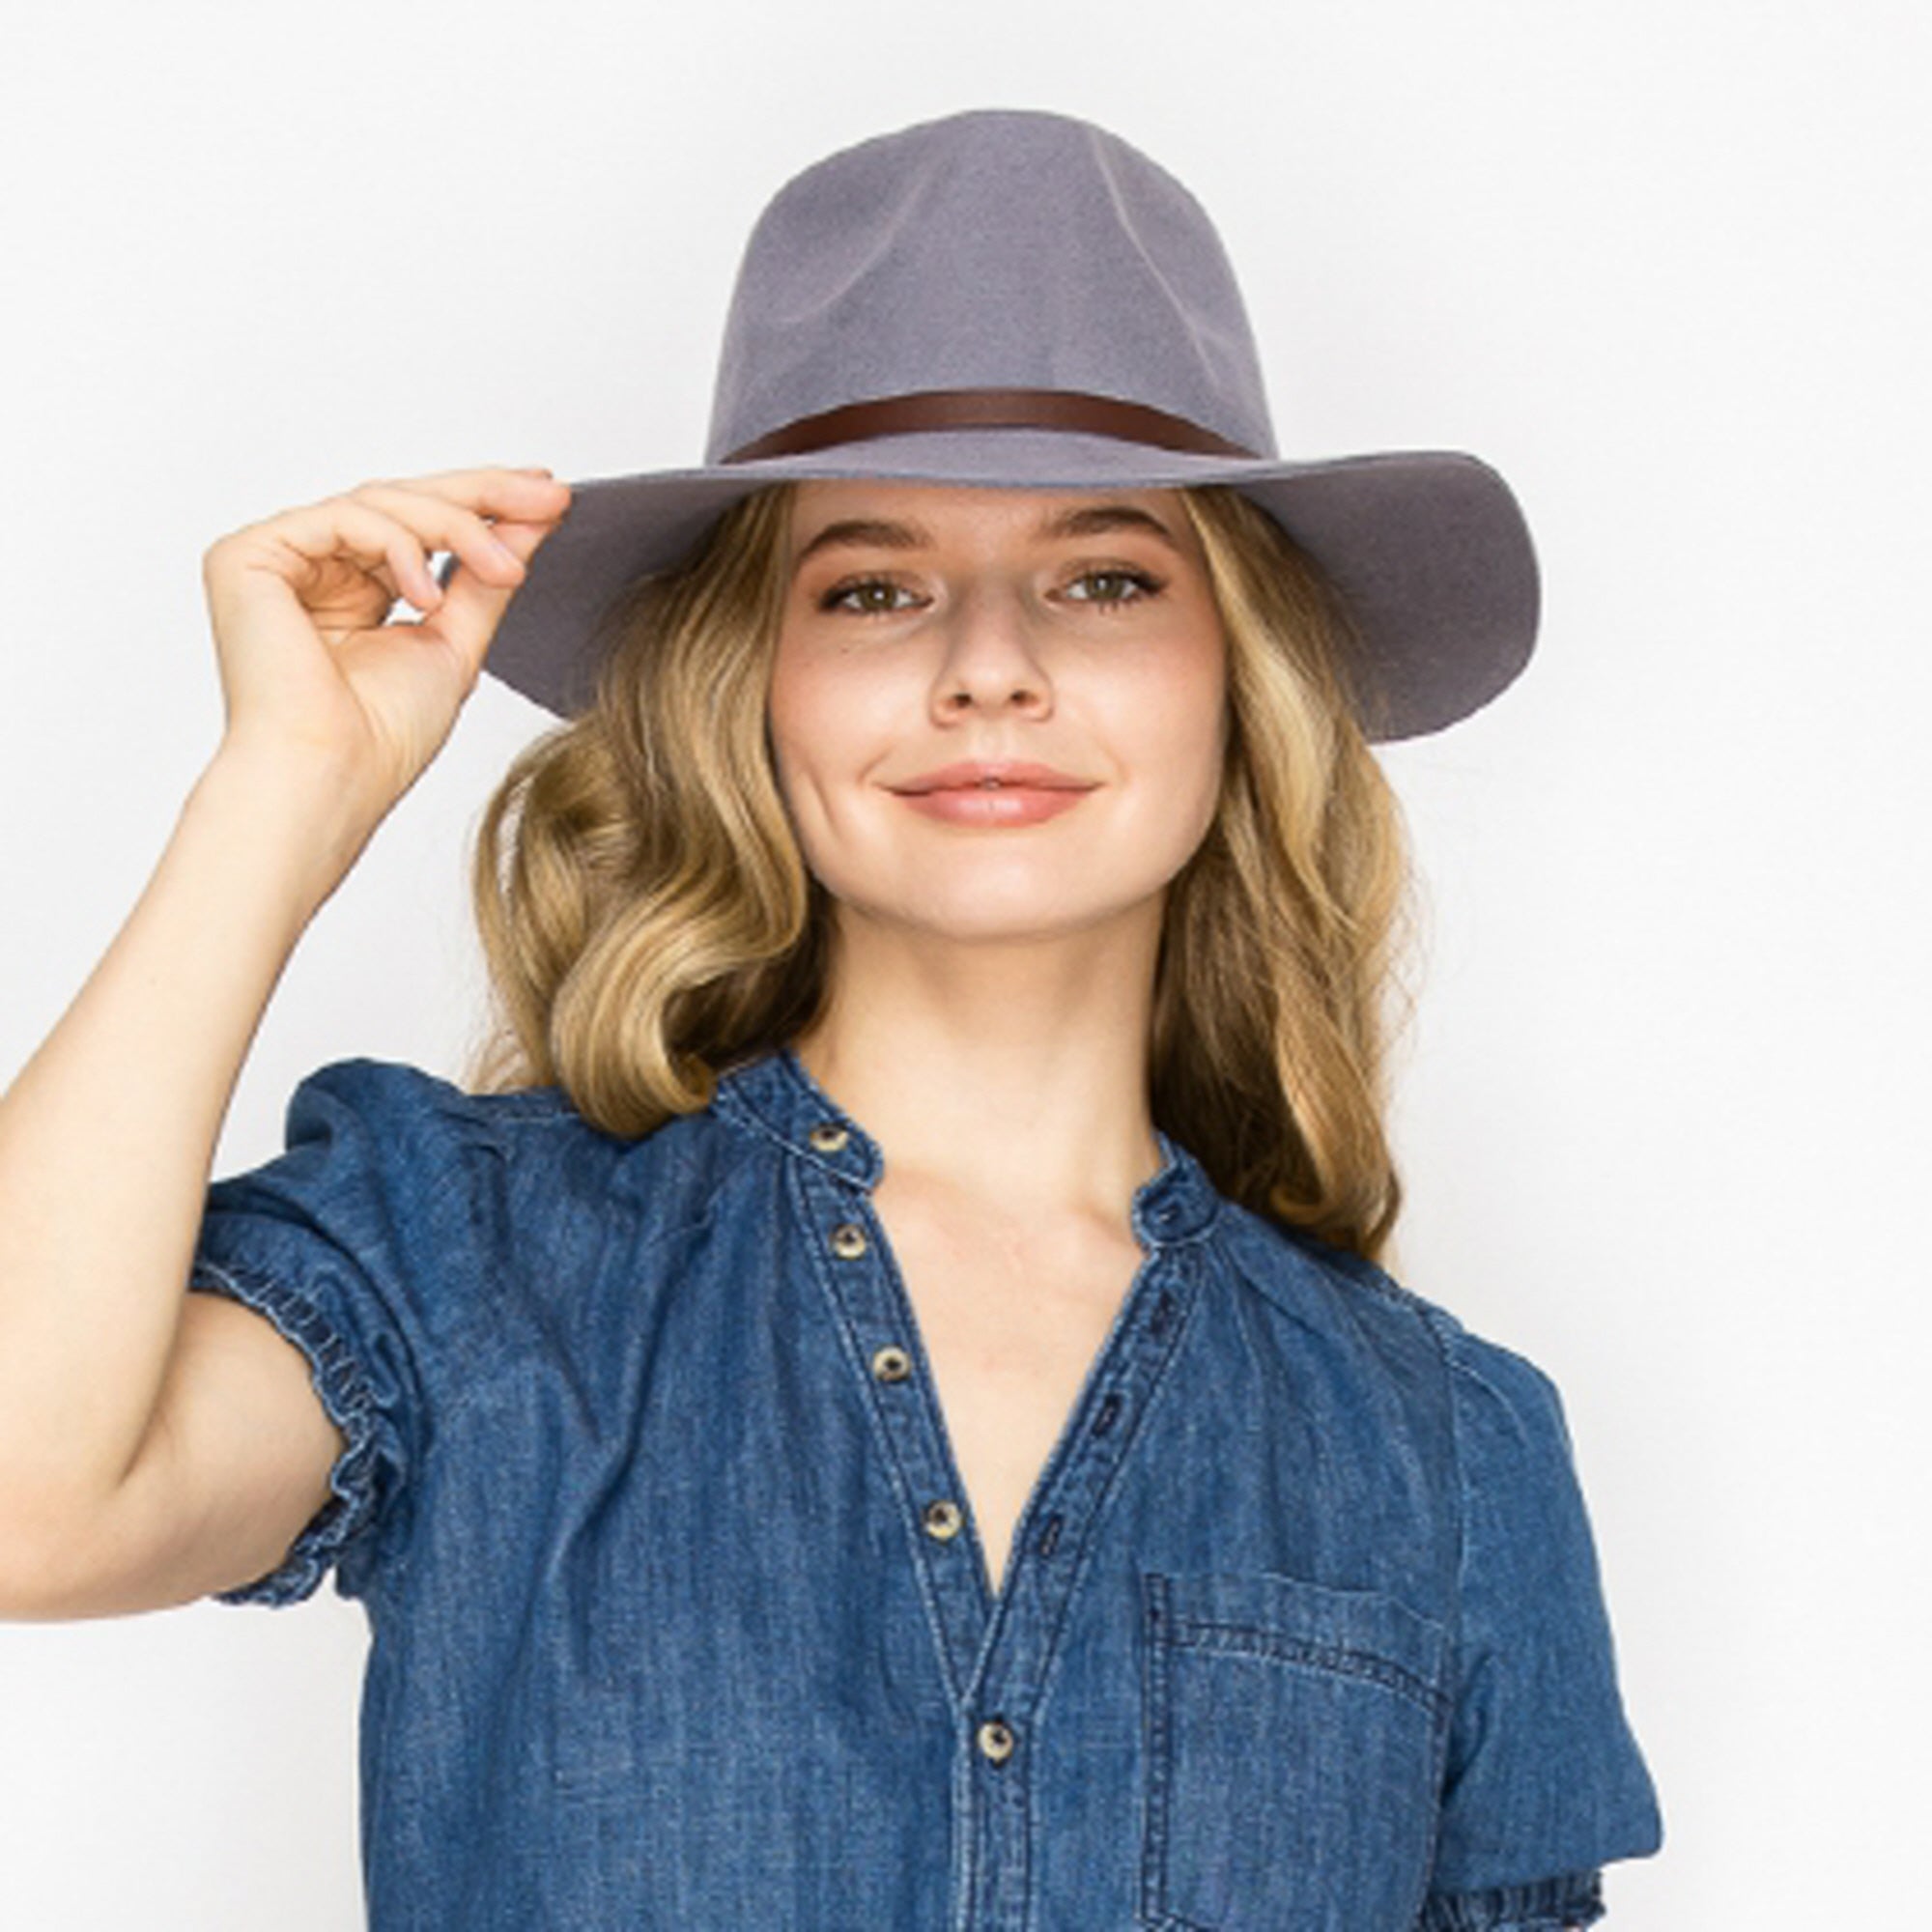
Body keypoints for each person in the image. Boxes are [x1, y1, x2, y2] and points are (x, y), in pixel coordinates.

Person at [0, 107, 1662, 1930]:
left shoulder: (1451, 1449)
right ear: (756, 686)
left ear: (1238, 679)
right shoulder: (474, 1261)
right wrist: (282, 792)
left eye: (1107, 577)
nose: (988, 665)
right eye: (874, 587)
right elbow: (30, 1505)